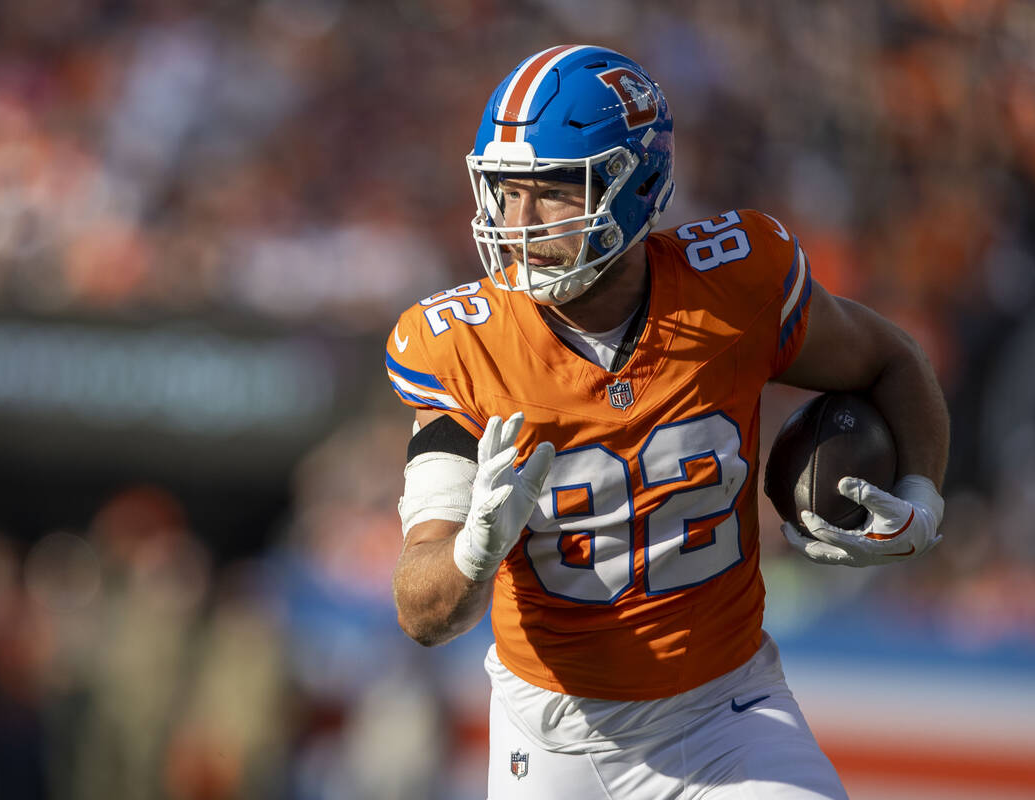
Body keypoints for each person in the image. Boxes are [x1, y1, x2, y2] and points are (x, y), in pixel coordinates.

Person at [385, 44, 949, 799]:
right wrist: (470, 555)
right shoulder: (464, 345)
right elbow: (421, 610)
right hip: (550, 734)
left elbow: (893, 359)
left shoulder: (736, 285)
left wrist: (923, 494)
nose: (518, 220)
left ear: (635, 182)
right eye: (504, 190)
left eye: (553, 190)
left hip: (728, 713)